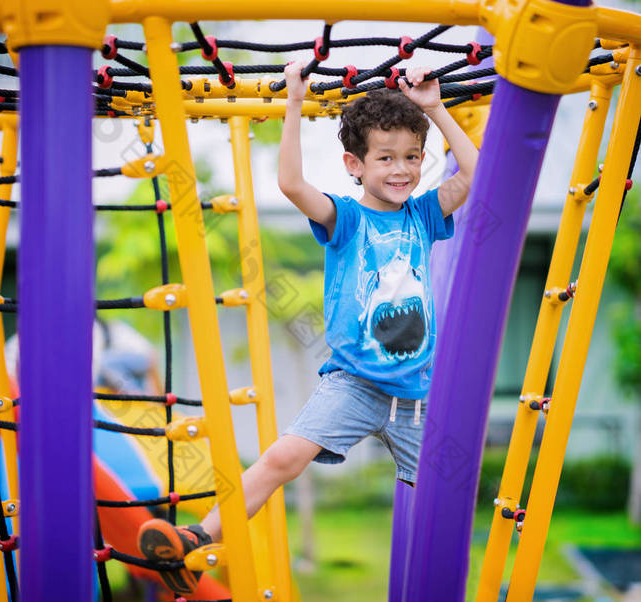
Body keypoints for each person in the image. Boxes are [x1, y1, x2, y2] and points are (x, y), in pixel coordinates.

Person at [137, 61, 479, 595]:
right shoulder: (346, 219)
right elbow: (291, 182)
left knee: (444, 499)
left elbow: (473, 173)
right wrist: (294, 101)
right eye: (385, 158)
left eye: (413, 157)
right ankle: (194, 538)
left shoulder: (423, 216)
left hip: (417, 393)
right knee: (282, 457)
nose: (402, 170)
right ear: (354, 164)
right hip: (354, 383)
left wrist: (434, 108)